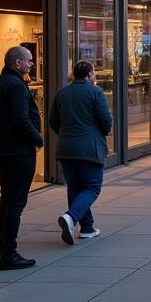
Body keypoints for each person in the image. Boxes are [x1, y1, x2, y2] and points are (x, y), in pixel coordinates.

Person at [0, 45, 44, 270]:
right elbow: (21, 119)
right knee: (15, 203)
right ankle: (9, 254)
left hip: (2, 150)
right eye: (29, 61)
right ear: (17, 63)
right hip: (18, 151)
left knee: (7, 199)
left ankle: (4, 246)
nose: (31, 64)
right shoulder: (15, 85)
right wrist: (37, 138)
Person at [50, 60, 113, 244]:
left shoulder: (62, 93)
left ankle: (87, 227)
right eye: (93, 74)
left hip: (66, 148)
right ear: (89, 75)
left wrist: (65, 133)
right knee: (92, 187)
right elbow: (106, 120)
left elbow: (53, 120)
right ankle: (71, 217)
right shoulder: (96, 92)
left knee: (75, 188)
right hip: (89, 149)